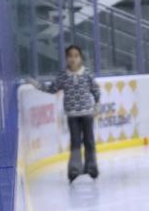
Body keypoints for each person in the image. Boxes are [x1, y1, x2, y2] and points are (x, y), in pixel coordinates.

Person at [32, 45, 101, 182]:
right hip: (72, 115)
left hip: (87, 113)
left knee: (89, 141)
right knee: (75, 142)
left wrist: (97, 103)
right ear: (66, 58)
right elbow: (53, 88)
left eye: (76, 56)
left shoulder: (86, 73)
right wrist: (38, 85)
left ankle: (91, 166)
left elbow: (95, 89)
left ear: (80, 58)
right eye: (70, 56)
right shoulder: (63, 76)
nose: (73, 59)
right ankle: (75, 168)